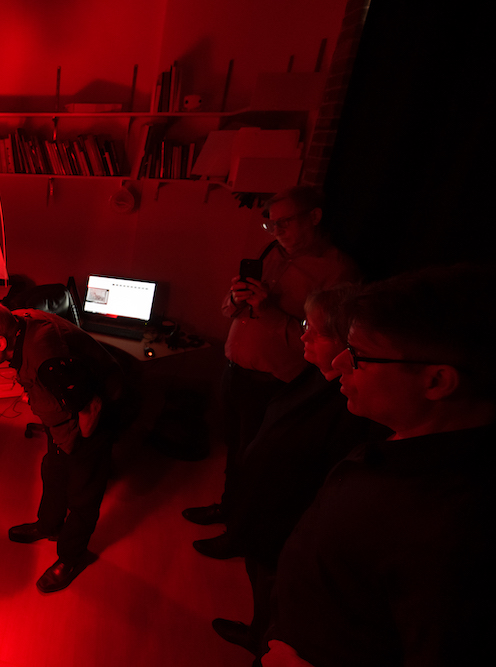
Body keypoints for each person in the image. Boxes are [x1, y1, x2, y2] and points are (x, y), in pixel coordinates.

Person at [262, 264, 496, 666]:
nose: (338, 364)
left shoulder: (454, 530)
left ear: (436, 382)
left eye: (358, 355)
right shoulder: (398, 437)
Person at [209, 286, 387, 658]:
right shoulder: (313, 378)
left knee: (276, 593)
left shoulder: (349, 408)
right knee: (260, 580)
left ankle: (265, 642)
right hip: (266, 516)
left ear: (347, 346)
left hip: (287, 525)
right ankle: (258, 632)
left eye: (316, 331)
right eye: (305, 324)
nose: (303, 335)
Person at [184, 186, 358, 560]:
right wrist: (235, 298)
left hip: (275, 382)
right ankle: (227, 509)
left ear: (314, 217)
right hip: (236, 371)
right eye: (271, 223)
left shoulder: (337, 271)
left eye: (284, 222)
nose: (276, 229)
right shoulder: (270, 255)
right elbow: (228, 310)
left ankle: (241, 535)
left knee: (258, 463)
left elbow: (327, 342)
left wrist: (270, 311)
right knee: (234, 450)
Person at [0, 300, 127, 593]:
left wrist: (83, 446)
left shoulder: (47, 357)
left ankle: (71, 557)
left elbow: (91, 407)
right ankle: (49, 525)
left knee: (83, 492)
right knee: (53, 469)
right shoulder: (16, 322)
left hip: (97, 410)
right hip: (66, 408)